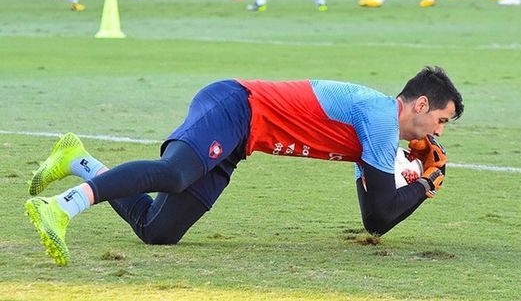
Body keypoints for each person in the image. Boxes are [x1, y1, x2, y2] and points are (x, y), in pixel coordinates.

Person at [25, 66, 463, 266]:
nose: (437, 132)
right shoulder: (379, 118)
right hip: (235, 105)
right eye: (441, 120)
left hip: (240, 141)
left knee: (158, 232)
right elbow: (386, 210)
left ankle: (77, 160)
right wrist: (428, 181)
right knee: (175, 171)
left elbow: (375, 220)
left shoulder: (379, 136)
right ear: (420, 104)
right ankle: (62, 206)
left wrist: (423, 183)